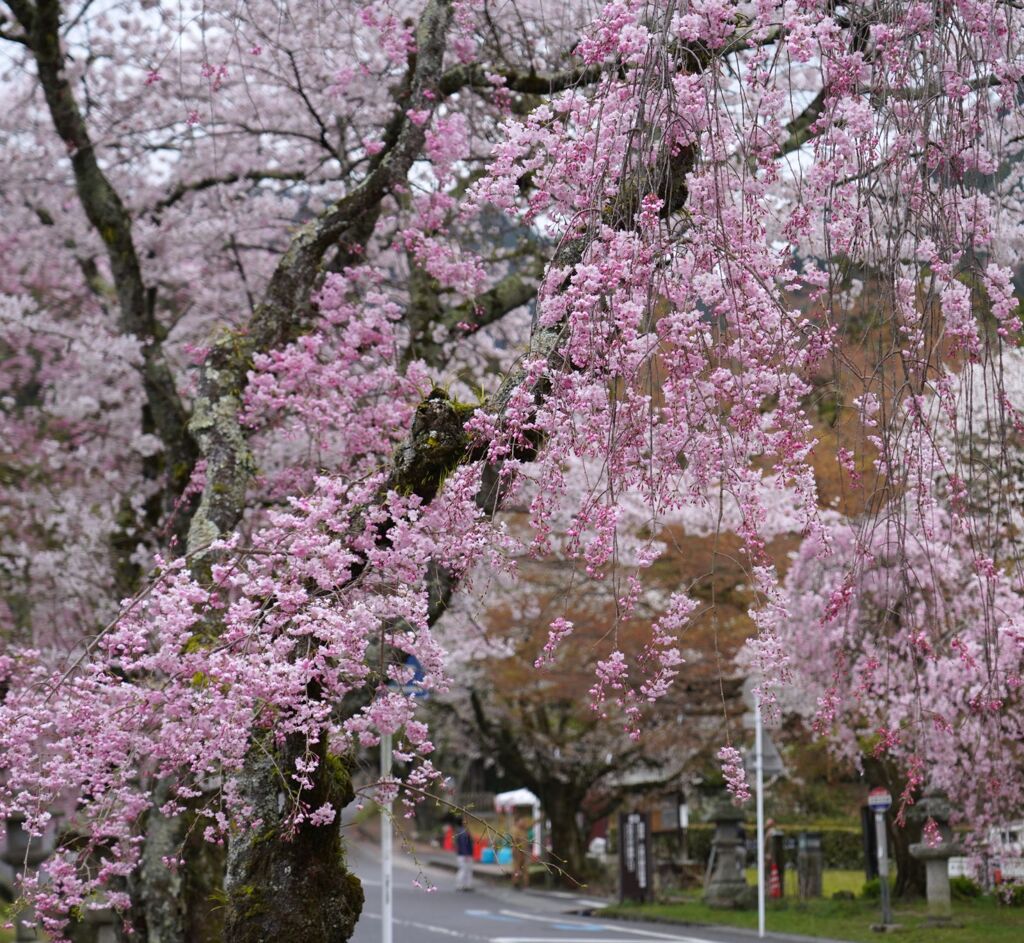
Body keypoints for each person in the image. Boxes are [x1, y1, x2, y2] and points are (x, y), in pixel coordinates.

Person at [511, 814, 534, 890]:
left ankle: (526, 883)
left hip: (524, 852)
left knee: (525, 869)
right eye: (522, 821)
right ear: (517, 822)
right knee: (517, 869)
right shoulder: (515, 830)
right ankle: (516, 882)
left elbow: (532, 823)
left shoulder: (524, 829)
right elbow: (515, 842)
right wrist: (519, 851)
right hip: (518, 853)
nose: (523, 823)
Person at [455, 817, 474, 891]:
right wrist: (466, 854)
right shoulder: (464, 832)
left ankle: (466, 885)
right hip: (465, 855)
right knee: (464, 870)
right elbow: (464, 844)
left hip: (462, 854)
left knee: (466, 870)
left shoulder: (460, 831)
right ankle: (461, 885)